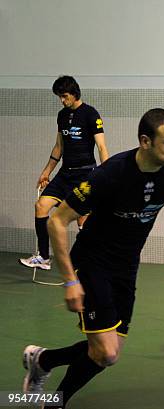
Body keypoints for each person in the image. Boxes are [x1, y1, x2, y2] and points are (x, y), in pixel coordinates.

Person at [21, 108, 164, 409]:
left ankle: (43, 359)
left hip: (126, 267)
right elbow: (56, 222)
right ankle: (54, 404)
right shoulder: (110, 174)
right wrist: (70, 280)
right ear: (145, 142)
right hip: (92, 262)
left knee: (105, 354)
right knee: (107, 353)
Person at [19, 75, 109, 271]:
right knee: (41, 205)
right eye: (59, 96)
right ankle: (43, 257)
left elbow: (101, 147)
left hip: (85, 175)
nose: (62, 100)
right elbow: (59, 146)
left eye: (65, 96)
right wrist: (46, 171)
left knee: (83, 219)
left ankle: (87, 261)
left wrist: (106, 175)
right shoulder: (61, 115)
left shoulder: (91, 114)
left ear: (74, 93)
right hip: (64, 174)